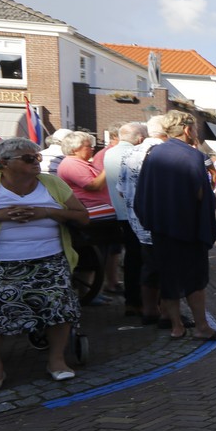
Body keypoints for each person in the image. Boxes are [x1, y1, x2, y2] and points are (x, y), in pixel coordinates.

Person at [0, 136, 90, 390]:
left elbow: (82, 216)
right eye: (28, 158)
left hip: (49, 259)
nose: (36, 162)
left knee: (59, 305)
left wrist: (47, 212)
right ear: (4, 163)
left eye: (37, 157)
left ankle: (56, 360)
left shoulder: (51, 183)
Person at [133, 111, 216, 342]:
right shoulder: (192, 155)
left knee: (169, 278)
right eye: (195, 128)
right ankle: (202, 327)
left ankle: (176, 326)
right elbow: (200, 193)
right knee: (195, 280)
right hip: (188, 228)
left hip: (161, 228)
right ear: (187, 129)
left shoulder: (154, 153)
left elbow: (143, 191)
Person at [57, 130, 121, 298]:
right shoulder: (72, 164)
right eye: (88, 146)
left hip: (97, 209)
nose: (92, 148)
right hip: (90, 210)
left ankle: (100, 286)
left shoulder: (81, 163)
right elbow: (92, 185)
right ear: (75, 149)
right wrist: (108, 168)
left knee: (102, 250)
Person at [119, 116, 168, 326]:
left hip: (137, 221)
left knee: (143, 264)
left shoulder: (129, 153)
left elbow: (121, 190)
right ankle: (168, 313)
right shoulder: (166, 153)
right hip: (163, 222)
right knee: (167, 268)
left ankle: (147, 309)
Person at [103, 123, 147, 318]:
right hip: (136, 215)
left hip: (120, 213)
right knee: (142, 260)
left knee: (131, 259)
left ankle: (132, 301)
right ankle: (141, 302)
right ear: (140, 139)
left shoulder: (108, 153)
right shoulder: (136, 154)